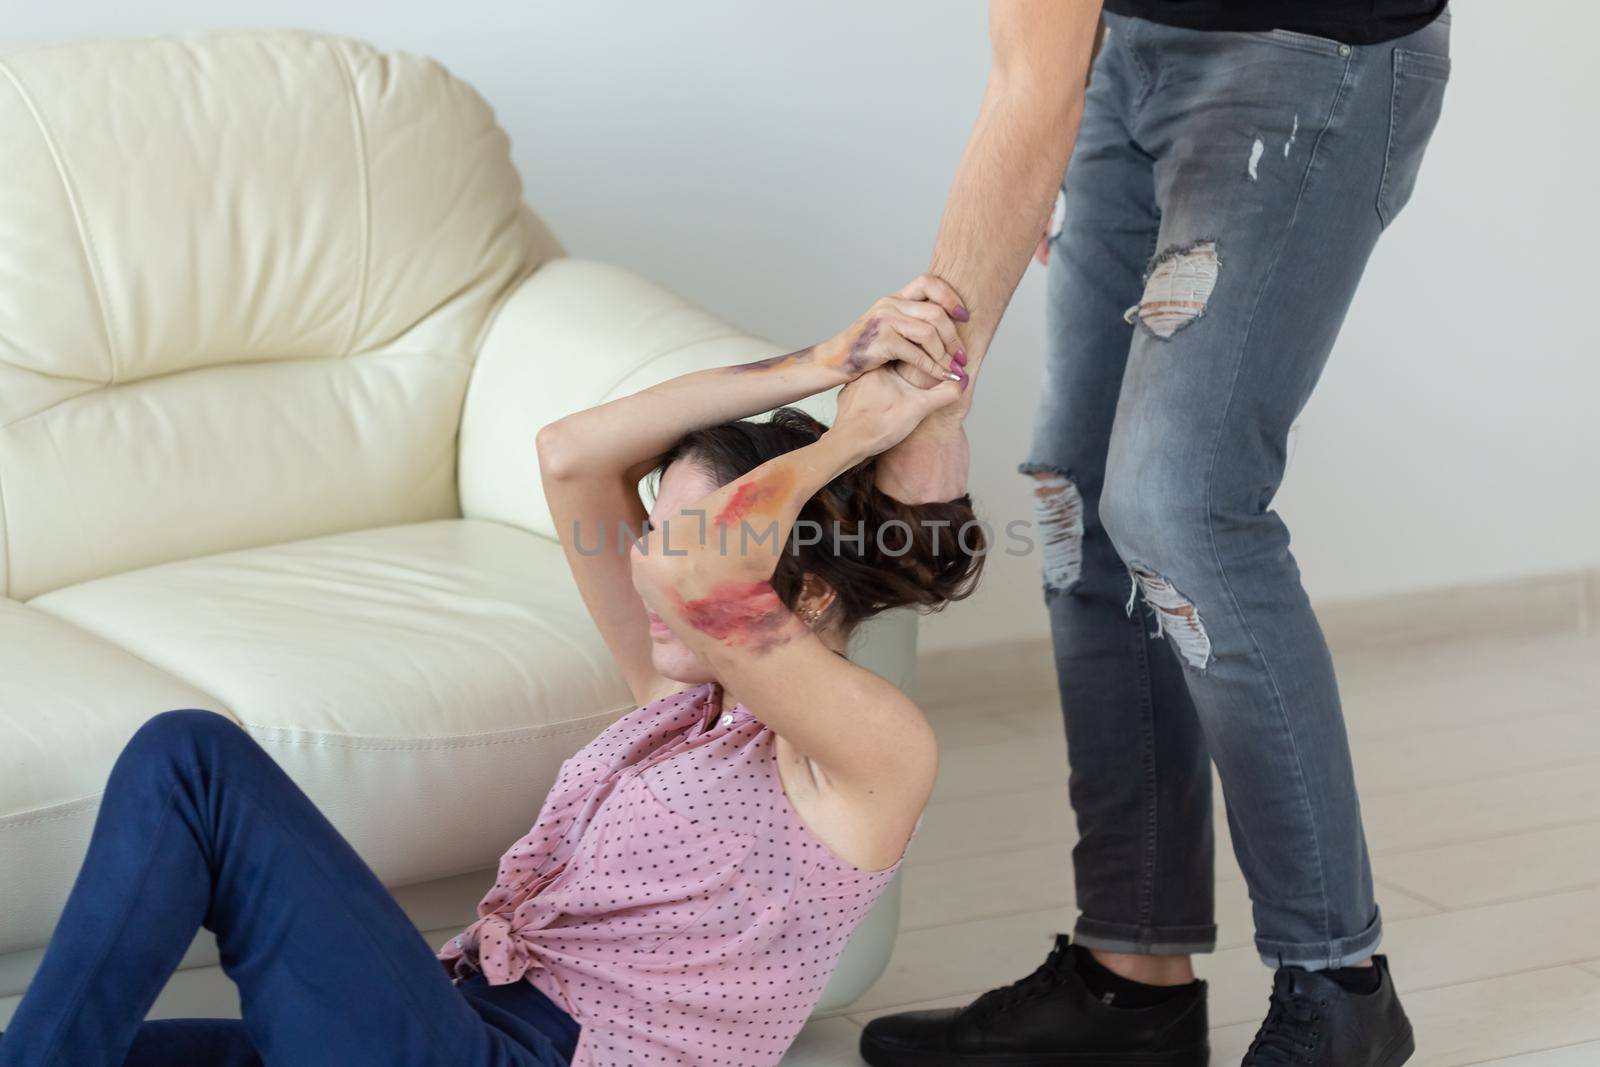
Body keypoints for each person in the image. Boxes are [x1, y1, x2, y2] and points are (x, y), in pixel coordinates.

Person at [0, 281, 981, 1067]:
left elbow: (690, 570)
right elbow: (570, 454)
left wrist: (852, 438)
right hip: (448, 1019)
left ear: (803, 596)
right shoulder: (676, 700)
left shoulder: (865, 764)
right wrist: (817, 364)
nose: (649, 555)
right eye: (659, 518)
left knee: (193, 760)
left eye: (692, 525)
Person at [861, 1, 1450, 1065]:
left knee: (1183, 505)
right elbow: (1028, 69)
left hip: (1305, 59)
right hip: (1121, 57)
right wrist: (1069, 121)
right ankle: (1130, 981)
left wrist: (927, 402)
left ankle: (1339, 985)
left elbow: (1023, 93)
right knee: (1077, 505)